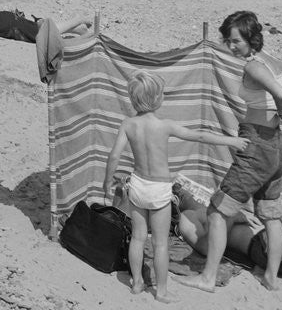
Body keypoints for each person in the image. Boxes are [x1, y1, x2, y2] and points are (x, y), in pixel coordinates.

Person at [102, 71, 246, 302]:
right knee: (160, 244)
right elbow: (198, 136)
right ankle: (161, 291)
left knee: (139, 238)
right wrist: (231, 141)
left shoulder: (128, 124)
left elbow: (114, 155)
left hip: (137, 185)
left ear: (133, 99)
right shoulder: (164, 125)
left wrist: (107, 181)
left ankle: (137, 282)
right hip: (159, 189)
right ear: (158, 99)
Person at [180, 11, 282, 293]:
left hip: (256, 147)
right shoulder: (270, 61)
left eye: (235, 41)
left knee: (219, 211)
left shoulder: (254, 66)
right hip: (273, 148)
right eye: (227, 41)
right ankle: (270, 277)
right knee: (269, 213)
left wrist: (280, 112)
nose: (230, 46)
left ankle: (207, 278)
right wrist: (276, 119)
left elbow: (281, 97)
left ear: (250, 39)